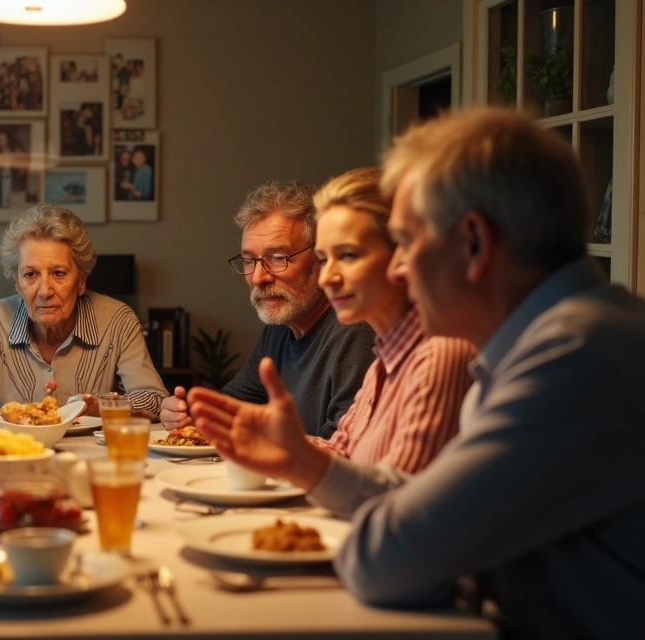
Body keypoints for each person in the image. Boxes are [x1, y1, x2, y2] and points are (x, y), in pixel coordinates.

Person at [189, 107, 645, 639]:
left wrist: (333, 482)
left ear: (473, 243)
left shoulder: (572, 359)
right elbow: (412, 500)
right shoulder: (565, 338)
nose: (399, 268)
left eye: (405, 241)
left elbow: (388, 560)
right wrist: (308, 464)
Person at [206, 167, 475, 482]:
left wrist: (282, 446)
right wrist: (282, 441)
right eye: (324, 257)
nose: (328, 277)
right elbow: (342, 451)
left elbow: (397, 503)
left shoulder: (437, 354)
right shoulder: (387, 356)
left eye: (347, 255)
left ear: (402, 255)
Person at [160, 180, 375, 439]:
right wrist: (185, 413)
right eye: (249, 260)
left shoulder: (355, 334)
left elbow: (345, 453)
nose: (258, 277)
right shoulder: (278, 330)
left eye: (278, 258)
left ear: (321, 258)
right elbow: (232, 406)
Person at [0, 204, 167, 418]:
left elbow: (154, 400)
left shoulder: (118, 321)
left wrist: (102, 407)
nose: (44, 290)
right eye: (31, 275)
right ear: (18, 285)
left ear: (81, 281)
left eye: (59, 273)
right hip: (8, 458)